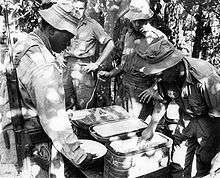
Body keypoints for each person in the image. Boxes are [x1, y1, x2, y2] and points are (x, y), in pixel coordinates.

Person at [0, 2, 92, 177]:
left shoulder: (25, 42)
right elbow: (54, 120)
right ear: (52, 30)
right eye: (67, 37)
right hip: (32, 140)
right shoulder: (43, 64)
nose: (70, 43)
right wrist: (78, 154)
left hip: (14, 132)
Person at [138, 35, 220, 177]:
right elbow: (162, 101)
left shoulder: (205, 76)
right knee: (177, 161)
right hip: (186, 117)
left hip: (211, 122)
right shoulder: (165, 77)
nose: (157, 78)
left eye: (160, 72)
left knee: (204, 164)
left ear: (174, 65)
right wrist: (151, 127)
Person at [98, 0, 166, 121]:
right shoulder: (129, 36)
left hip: (142, 91)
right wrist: (110, 74)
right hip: (124, 87)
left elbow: (168, 69)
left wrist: (154, 88)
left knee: (135, 126)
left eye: (140, 21)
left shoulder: (158, 38)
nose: (136, 24)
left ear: (148, 19)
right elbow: (124, 63)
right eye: (134, 21)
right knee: (119, 121)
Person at [63, 0, 114, 110]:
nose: (77, 11)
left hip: (83, 69)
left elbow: (110, 44)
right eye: (75, 8)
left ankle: (85, 127)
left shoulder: (92, 25)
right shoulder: (66, 22)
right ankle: (72, 127)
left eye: (80, 8)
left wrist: (97, 63)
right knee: (67, 103)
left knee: (85, 105)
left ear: (85, 9)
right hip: (66, 67)